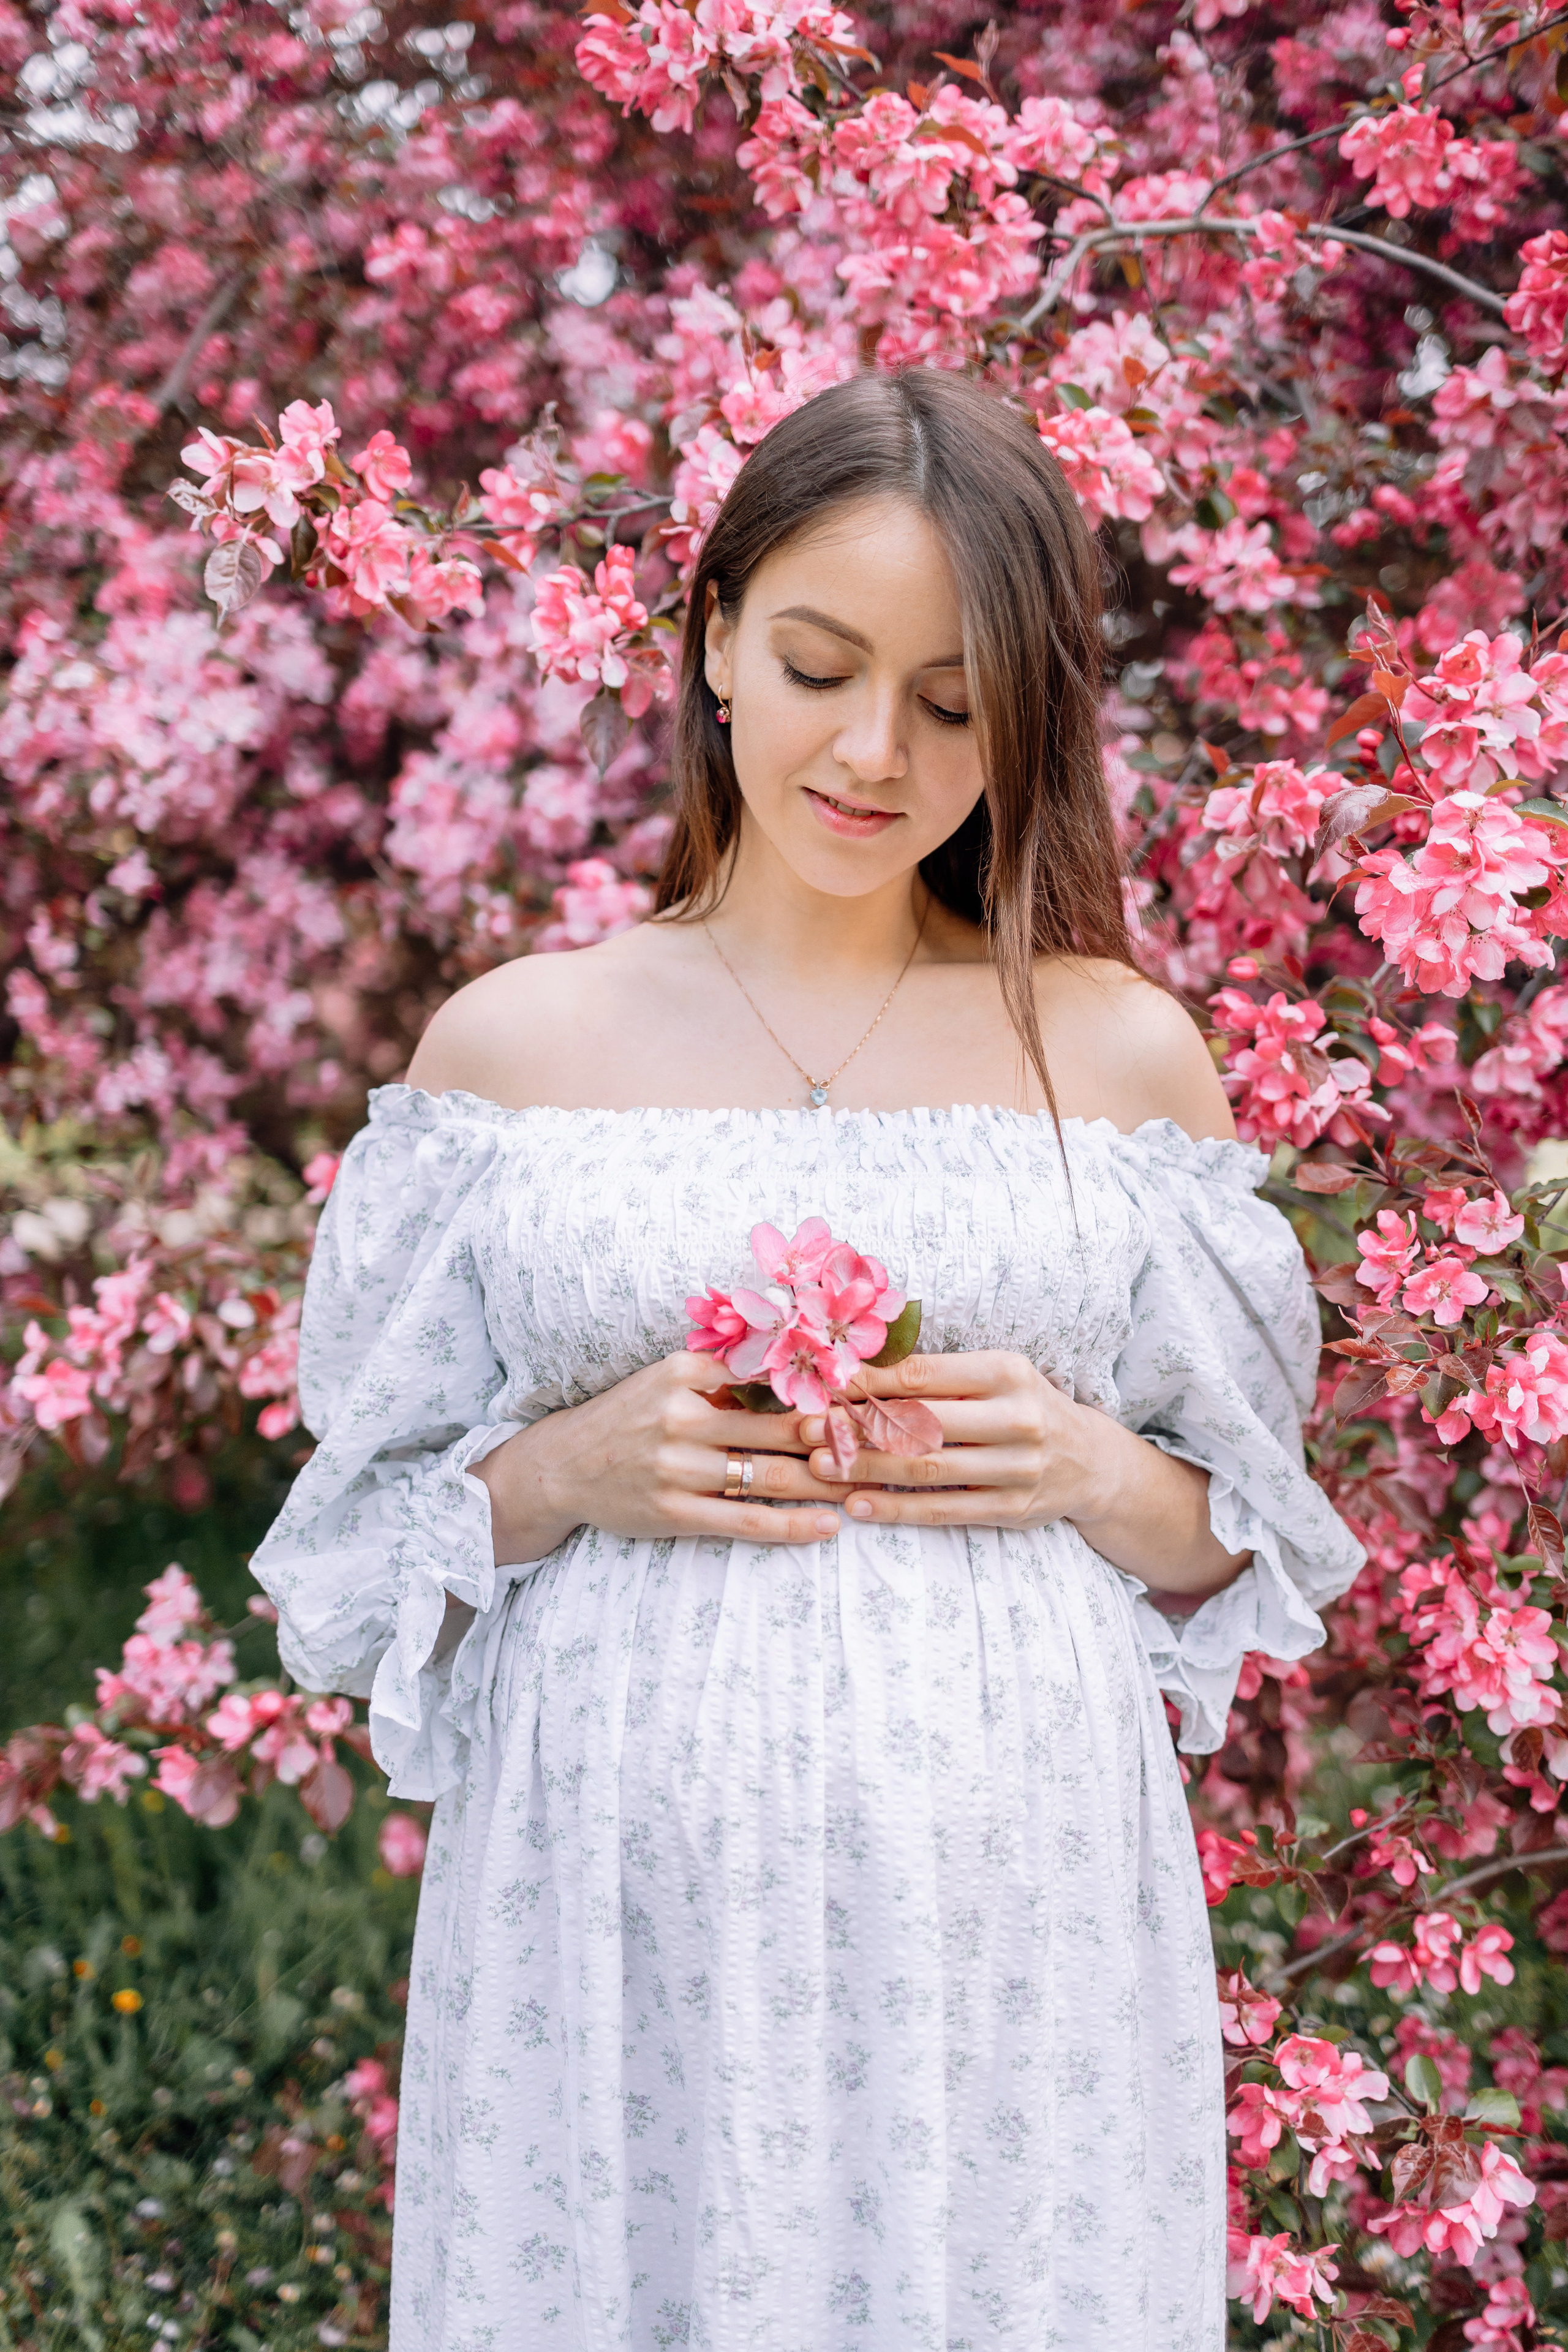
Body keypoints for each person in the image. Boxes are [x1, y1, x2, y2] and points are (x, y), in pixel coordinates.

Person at [250, 368, 1363, 2351]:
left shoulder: (1116, 1059)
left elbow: (1237, 1541)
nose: (874, 752)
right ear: (712, 641)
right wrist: (566, 1473)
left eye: (953, 704)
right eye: (820, 666)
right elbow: (351, 1554)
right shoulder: (515, 1050)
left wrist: (1097, 1475)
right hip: (610, 1935)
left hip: (1013, 1930)